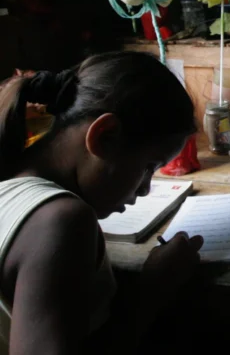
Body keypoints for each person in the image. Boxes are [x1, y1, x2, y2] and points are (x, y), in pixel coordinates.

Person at [0, 52, 204, 354]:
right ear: (104, 136)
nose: (145, 189)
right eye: (148, 166)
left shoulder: (11, 181)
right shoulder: (60, 221)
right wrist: (152, 289)